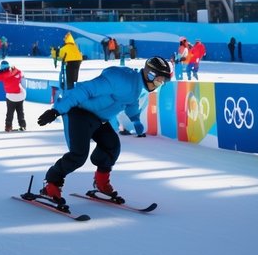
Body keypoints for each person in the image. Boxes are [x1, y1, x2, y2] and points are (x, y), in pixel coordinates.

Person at [32, 56, 173, 209]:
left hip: (98, 118)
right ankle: (51, 184)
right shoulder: (119, 78)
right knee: (78, 155)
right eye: (159, 81)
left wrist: (135, 119)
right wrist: (56, 110)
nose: (158, 85)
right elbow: (85, 90)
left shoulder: (138, 86)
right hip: (79, 112)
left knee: (112, 146)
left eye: (162, 83)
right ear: (150, 74)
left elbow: (131, 102)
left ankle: (101, 182)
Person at [0, 61, 26, 132]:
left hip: (11, 96)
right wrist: (14, 69)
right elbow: (20, 73)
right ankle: (22, 125)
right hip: (21, 95)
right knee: (20, 111)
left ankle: (8, 126)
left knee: (10, 112)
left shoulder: (3, 75)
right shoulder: (17, 72)